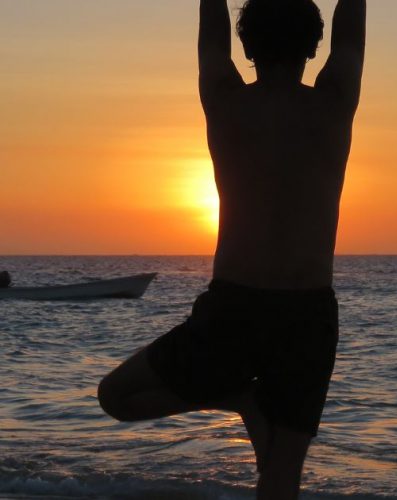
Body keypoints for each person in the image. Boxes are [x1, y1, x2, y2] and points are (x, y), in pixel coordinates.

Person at [98, 0, 366, 498]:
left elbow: (210, 42)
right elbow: (350, 40)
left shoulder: (225, 100)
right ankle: (243, 395)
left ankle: (237, 394)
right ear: (313, 47)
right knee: (281, 475)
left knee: (116, 396)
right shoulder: (333, 101)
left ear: (246, 47)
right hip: (306, 314)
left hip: (234, 308)